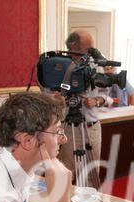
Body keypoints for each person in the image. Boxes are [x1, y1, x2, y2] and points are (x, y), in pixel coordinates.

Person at [58, 30, 113, 185]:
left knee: (91, 174)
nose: (92, 52)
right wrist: (58, 98)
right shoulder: (61, 66)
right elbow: (50, 93)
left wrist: (96, 100)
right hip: (69, 128)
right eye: (88, 48)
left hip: (92, 128)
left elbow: (106, 96)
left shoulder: (96, 65)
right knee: (65, 173)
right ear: (73, 47)